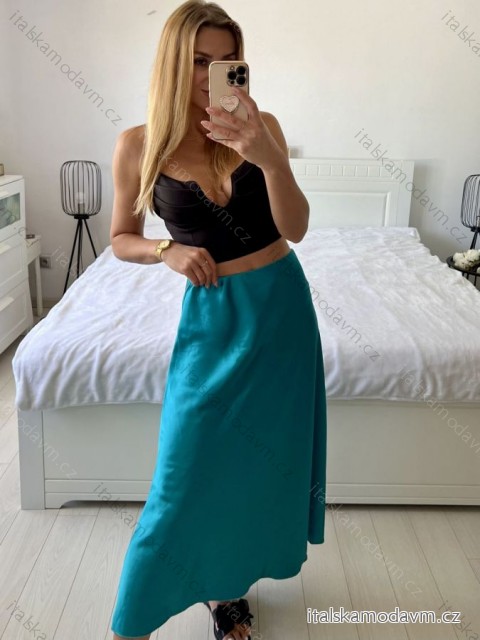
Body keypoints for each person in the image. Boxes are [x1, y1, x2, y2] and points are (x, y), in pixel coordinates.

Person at [109, 1, 328, 639]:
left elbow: (296, 228)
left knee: (260, 466)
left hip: (281, 311)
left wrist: (270, 158)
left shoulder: (264, 128)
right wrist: (165, 251)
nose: (212, 75)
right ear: (174, 62)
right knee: (184, 473)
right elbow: (120, 236)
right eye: (199, 60)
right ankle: (131, 622)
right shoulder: (139, 145)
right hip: (213, 318)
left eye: (226, 61)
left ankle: (226, 590)